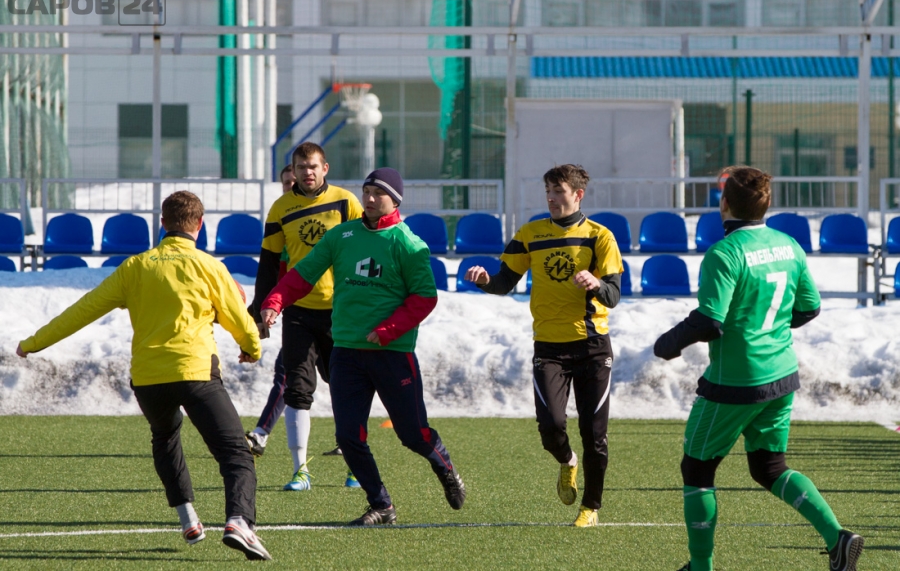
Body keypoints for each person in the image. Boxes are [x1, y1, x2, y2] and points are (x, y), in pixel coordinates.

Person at [16, 191, 271, 561]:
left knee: (165, 437)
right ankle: (239, 522)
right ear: (200, 226)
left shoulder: (136, 266)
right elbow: (240, 321)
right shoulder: (209, 266)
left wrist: (34, 342)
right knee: (235, 453)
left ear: (162, 223)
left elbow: (83, 310)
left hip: (149, 379)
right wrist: (252, 348)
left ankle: (188, 518)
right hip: (195, 372)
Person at [653, 167, 863, 571]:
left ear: (724, 204)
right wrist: (767, 331)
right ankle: (837, 538)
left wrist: (668, 342)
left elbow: (709, 321)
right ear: (765, 205)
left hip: (735, 381)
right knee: (769, 468)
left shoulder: (724, 253)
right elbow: (809, 308)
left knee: (697, 467)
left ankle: (700, 567)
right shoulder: (788, 245)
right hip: (781, 375)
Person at [260, 167, 466, 525]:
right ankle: (381, 504)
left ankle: (446, 469)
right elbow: (304, 274)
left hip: (392, 355)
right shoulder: (342, 236)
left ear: (395, 200)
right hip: (346, 353)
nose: (369, 198)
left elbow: (424, 297)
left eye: (378, 193)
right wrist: (275, 300)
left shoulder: (408, 243)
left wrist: (387, 330)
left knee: (413, 435)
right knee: (348, 436)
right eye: (366, 191)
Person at [464, 163, 622, 528]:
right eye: (548, 191)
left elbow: (613, 295)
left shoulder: (600, 236)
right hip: (549, 347)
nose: (551, 198)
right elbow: (504, 282)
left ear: (578, 195)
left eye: (558, 191)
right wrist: (485, 280)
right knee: (551, 427)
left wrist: (596, 284)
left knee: (594, 434)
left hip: (592, 347)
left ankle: (591, 507)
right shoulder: (530, 233)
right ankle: (567, 461)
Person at [249, 142, 363, 491]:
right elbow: (269, 263)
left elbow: (367, 250)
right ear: (293, 171)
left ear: (325, 168)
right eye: (301, 167)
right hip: (298, 312)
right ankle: (301, 471)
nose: (307, 172)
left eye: (313, 166)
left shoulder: (346, 202)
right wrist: (260, 308)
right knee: (297, 388)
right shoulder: (280, 208)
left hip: (341, 312)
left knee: (347, 388)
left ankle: (357, 466)